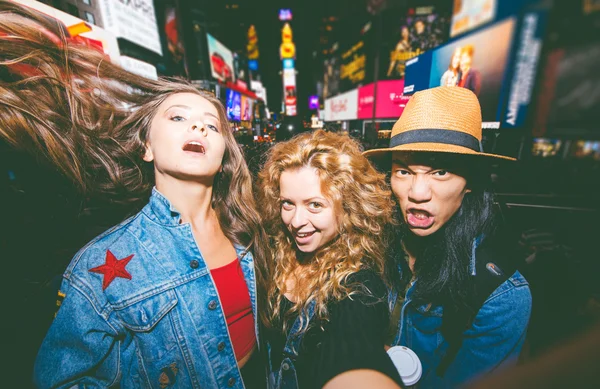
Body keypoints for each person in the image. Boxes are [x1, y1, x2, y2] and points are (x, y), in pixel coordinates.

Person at [0, 2, 268, 388]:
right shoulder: (100, 264)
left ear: (225, 153)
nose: (198, 125)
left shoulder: (250, 229)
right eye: (177, 117)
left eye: (212, 125)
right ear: (147, 147)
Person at [364, 87, 532, 388]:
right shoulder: (368, 246)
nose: (416, 193)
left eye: (440, 172)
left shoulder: (501, 295)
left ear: (470, 182)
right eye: (403, 171)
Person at [258, 130, 403, 389]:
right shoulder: (274, 252)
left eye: (315, 205)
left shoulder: (361, 284)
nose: (296, 221)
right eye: (288, 203)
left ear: (347, 206)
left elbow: (355, 343)